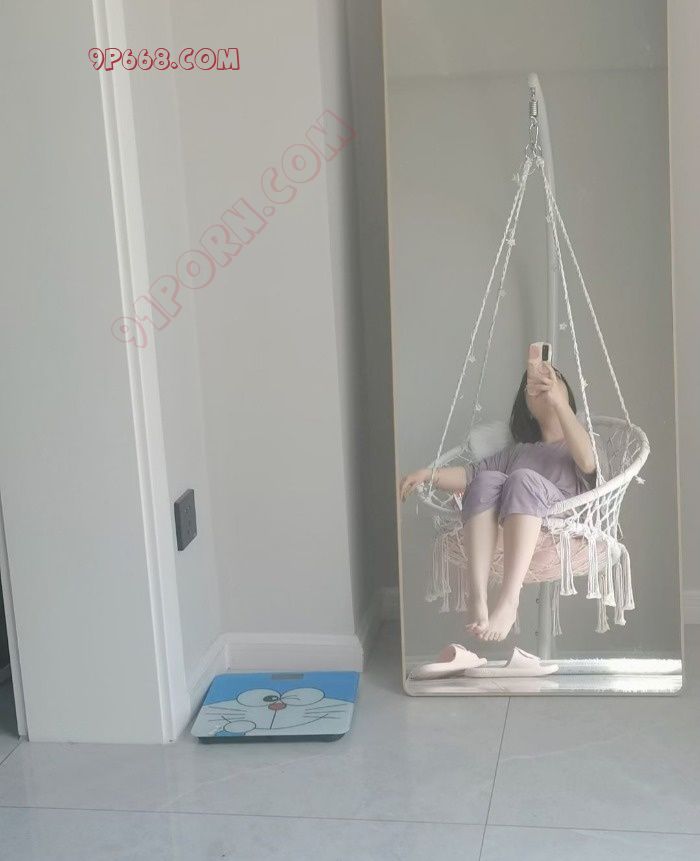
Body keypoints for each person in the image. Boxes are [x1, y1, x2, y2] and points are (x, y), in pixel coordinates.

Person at [400, 357, 596, 643]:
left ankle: (509, 599)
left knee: (522, 478)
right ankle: (477, 595)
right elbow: (470, 474)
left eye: (553, 379)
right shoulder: (520, 452)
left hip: (560, 522)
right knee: (487, 479)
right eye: (532, 385)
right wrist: (428, 475)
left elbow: (588, 463)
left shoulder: (580, 442)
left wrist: (559, 404)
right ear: (526, 407)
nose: (543, 384)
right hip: (512, 521)